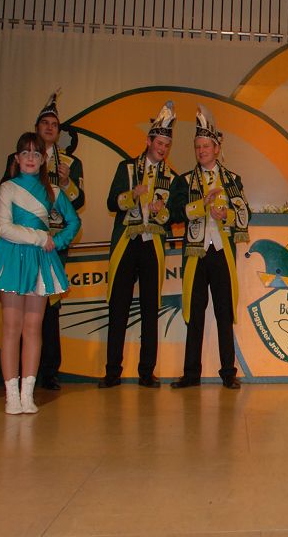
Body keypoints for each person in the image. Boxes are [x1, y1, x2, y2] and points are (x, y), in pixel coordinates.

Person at [0, 133, 80, 413]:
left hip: (40, 262)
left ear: (43, 159)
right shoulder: (7, 188)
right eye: (25, 153)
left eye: (36, 154)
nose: (30, 158)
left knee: (34, 328)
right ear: (17, 158)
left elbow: (74, 222)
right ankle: (11, 394)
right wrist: (41, 238)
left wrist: (57, 242)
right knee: (11, 328)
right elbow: (4, 228)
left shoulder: (53, 191)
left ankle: (27, 394)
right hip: (12, 258)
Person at [3, 91, 85, 391]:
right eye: (45, 123)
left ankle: (49, 370)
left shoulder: (72, 162)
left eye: (54, 124)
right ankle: (17, 376)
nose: (50, 128)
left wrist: (66, 182)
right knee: (16, 314)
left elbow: (78, 203)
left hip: (52, 243)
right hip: (19, 244)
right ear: (36, 128)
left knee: (49, 307)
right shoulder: (19, 159)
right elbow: (5, 195)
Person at [169, 105, 250, 390]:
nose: (201, 151)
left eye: (206, 146)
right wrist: (201, 205)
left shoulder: (232, 180)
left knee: (224, 313)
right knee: (195, 313)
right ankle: (191, 374)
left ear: (216, 148)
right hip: (197, 255)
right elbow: (174, 213)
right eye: (198, 146)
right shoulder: (185, 181)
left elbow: (245, 213)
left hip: (222, 253)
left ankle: (228, 372)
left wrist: (225, 214)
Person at [99, 102, 176, 389]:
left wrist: (161, 211)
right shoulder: (127, 167)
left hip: (152, 246)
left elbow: (173, 217)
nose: (162, 149)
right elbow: (111, 203)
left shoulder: (171, 177)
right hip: (127, 243)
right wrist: (132, 194)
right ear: (148, 141)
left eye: (166, 145)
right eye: (159, 143)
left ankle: (147, 372)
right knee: (118, 307)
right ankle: (112, 372)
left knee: (149, 309)